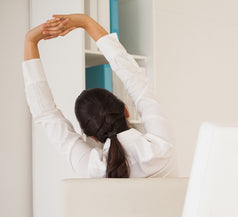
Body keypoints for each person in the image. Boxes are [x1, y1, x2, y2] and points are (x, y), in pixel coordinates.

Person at [23, 14, 177, 178]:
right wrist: (86, 22)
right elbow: (135, 79)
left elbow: (46, 115)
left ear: (92, 137)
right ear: (125, 110)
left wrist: (30, 41)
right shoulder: (163, 146)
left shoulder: (92, 166)